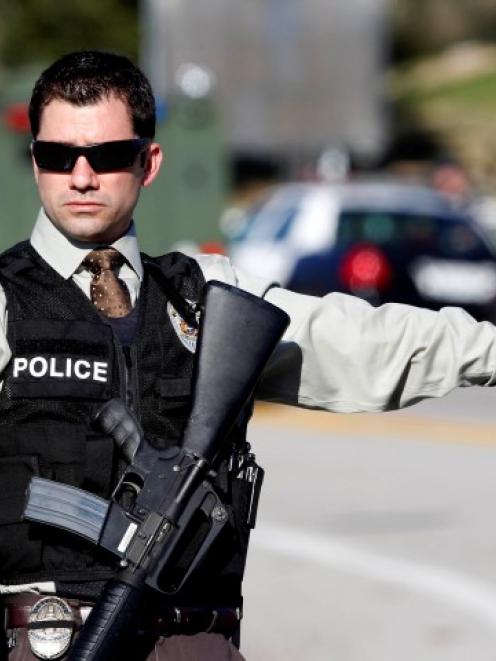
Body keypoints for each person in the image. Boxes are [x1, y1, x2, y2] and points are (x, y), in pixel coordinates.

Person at [1, 50, 496, 660]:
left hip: (194, 640)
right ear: (34, 161)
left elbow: (363, 341)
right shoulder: (4, 301)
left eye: (106, 156)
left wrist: (490, 350)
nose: (80, 177)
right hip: (43, 640)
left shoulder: (207, 297)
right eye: (58, 156)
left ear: (147, 161)